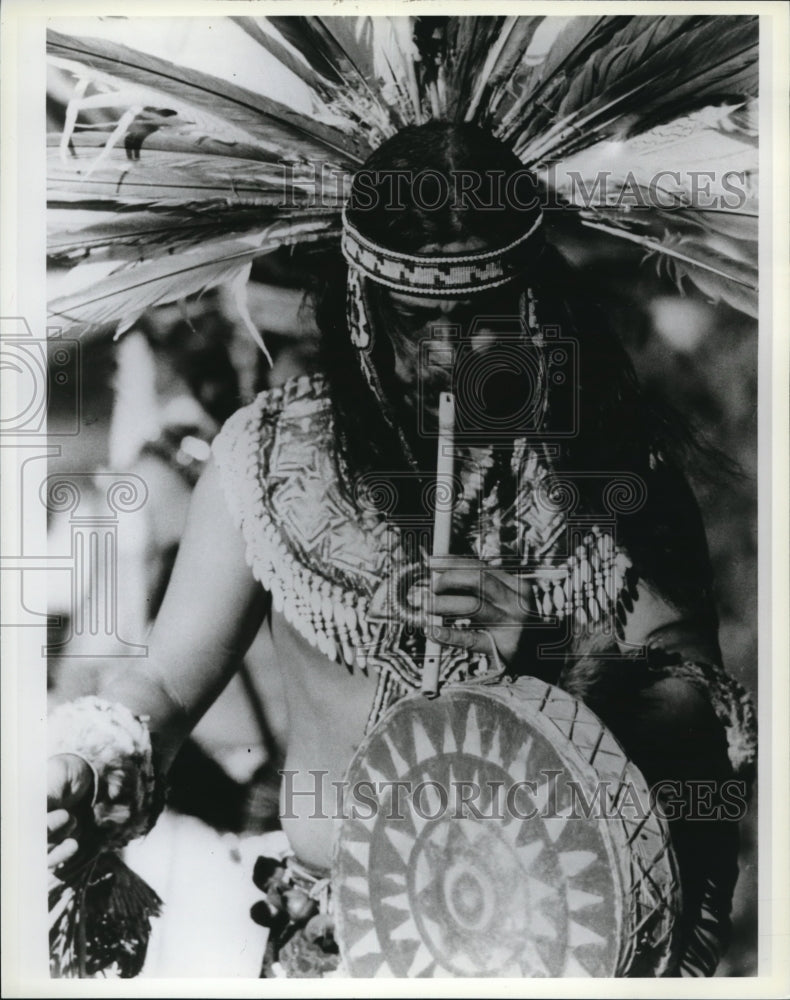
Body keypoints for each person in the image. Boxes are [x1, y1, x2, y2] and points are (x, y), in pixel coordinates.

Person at [47, 122, 755, 978]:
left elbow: (701, 719)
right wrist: (94, 757)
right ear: (362, 304)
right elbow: (164, 681)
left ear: (532, 304)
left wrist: (547, 660)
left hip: (553, 948)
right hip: (333, 944)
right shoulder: (268, 459)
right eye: (419, 320)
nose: (452, 357)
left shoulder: (609, 462)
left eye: (485, 322)